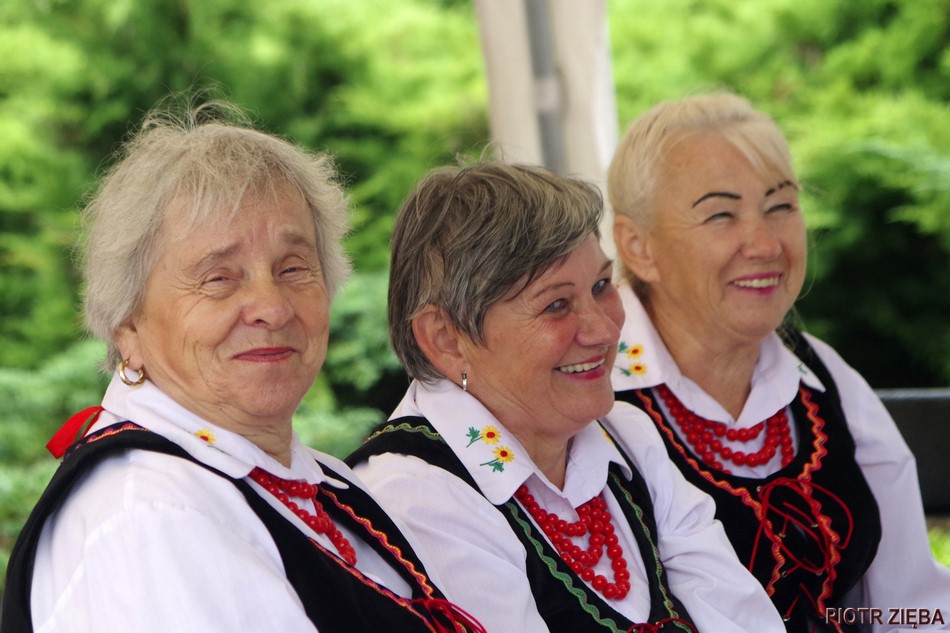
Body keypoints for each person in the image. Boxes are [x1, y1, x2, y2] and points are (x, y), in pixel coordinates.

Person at [0, 100, 484, 633]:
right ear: (127, 327)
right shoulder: (153, 514)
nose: (272, 308)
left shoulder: (320, 484)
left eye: (293, 268)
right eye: (218, 278)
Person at [347, 161, 786, 632]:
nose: (604, 330)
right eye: (556, 305)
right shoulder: (415, 494)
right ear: (446, 338)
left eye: (601, 286)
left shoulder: (627, 437)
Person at [607, 91, 950, 632]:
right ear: (638, 247)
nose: (766, 244)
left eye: (781, 206)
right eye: (721, 214)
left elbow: (912, 607)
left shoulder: (824, 377)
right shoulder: (589, 397)